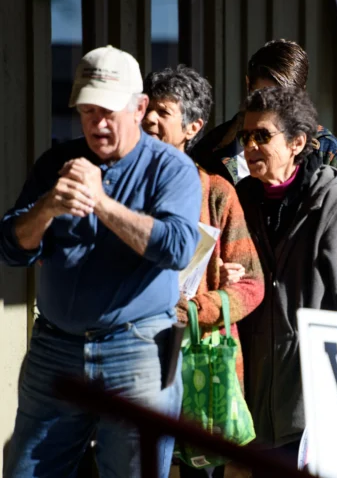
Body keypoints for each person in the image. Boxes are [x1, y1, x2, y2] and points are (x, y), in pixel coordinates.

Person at [1, 46, 201, 477]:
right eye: (88, 111)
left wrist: (103, 204)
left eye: (109, 112)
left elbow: (178, 247)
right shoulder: (57, 164)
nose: (98, 124)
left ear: (140, 107)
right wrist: (48, 207)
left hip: (137, 349)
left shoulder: (170, 169)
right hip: (56, 347)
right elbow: (11, 247)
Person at [234, 85, 337, 461]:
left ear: (297, 142)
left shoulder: (332, 202)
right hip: (247, 400)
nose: (250, 146)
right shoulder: (240, 199)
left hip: (309, 404)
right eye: (245, 136)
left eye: (262, 136)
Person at [143, 65, 266, 478]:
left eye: (163, 111)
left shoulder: (216, 191)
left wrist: (199, 308)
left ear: (193, 126)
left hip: (201, 363)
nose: (149, 120)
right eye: (146, 108)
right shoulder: (123, 187)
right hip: (135, 354)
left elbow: (251, 284)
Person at [191, 39, 337, 192]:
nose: (271, 108)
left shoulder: (325, 150)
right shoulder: (211, 149)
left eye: (283, 100)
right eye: (262, 96)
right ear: (248, 85)